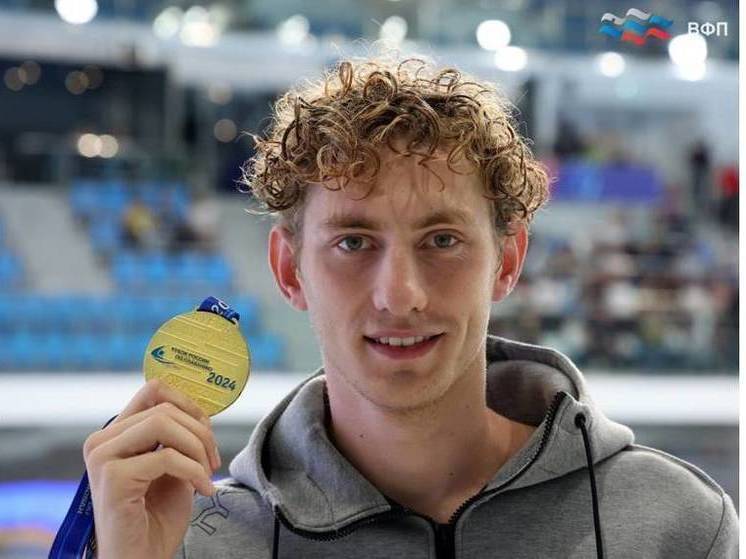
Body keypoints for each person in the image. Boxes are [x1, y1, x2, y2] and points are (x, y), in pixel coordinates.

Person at [82, 54, 738, 558]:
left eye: (442, 240)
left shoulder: (676, 526)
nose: (400, 294)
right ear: (288, 269)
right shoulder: (191, 542)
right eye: (353, 241)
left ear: (508, 260)